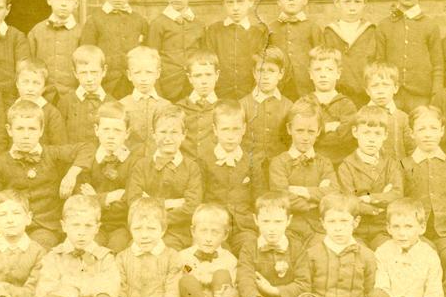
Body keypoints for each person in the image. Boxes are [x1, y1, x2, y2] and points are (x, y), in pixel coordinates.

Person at [0, 100, 94, 249]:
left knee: (35, 250)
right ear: (9, 130)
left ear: (41, 130)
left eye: (32, 129)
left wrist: (72, 174)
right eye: (20, 129)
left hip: (46, 227)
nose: (26, 135)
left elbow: (87, 148)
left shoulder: (52, 154)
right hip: (11, 226)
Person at [125, 105, 203, 250]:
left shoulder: (192, 168)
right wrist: (171, 203)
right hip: (145, 230)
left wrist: (150, 203)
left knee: (169, 252)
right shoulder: (141, 166)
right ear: (153, 134)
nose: (168, 138)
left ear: (184, 134)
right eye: (162, 132)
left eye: (174, 132)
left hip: (178, 233)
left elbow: (191, 207)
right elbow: (134, 203)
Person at [400, 105, 446, 267]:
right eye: (421, 129)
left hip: (445, 233)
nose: (428, 134)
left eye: (433, 128)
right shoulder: (404, 165)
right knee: (420, 257)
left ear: (442, 131)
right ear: (411, 133)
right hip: (414, 233)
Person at [268, 98, 339, 245]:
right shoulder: (279, 163)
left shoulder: (324, 163)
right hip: (288, 228)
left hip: (319, 229)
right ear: (289, 129)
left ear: (318, 131)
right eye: (299, 131)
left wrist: (304, 191)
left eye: (311, 131)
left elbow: (333, 193)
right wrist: (316, 200)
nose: (305, 137)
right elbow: (282, 197)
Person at [375, 0, 443, 111]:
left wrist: (435, 98)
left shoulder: (430, 26)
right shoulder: (384, 26)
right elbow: (379, 64)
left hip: (422, 98)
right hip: (392, 98)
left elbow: (438, 66)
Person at [198, 100, 265, 255]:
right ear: (215, 130)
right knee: (217, 253)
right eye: (225, 129)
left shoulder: (251, 161)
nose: (230, 136)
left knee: (250, 247)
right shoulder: (204, 160)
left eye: (236, 130)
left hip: (243, 226)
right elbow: (199, 199)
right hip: (213, 226)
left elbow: (259, 199)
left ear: (244, 129)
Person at [75, 101, 141, 253]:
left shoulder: (134, 162)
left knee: (116, 250)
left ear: (127, 133)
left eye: (117, 131)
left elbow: (129, 200)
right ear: (96, 130)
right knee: (89, 250)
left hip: (121, 225)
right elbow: (81, 198)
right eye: (106, 130)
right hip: (91, 224)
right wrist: (109, 197)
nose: (111, 136)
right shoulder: (88, 159)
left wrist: (95, 197)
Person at [337, 105, 403, 249]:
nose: (372, 139)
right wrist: (379, 202)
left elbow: (397, 194)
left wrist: (369, 198)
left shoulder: (391, 164)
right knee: (358, 253)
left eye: (377, 134)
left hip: (383, 228)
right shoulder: (346, 166)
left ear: (385, 135)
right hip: (356, 229)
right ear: (355, 132)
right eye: (366, 133)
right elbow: (350, 201)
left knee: (388, 251)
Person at [80, 0, 147, 98]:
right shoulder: (94, 21)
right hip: (105, 89)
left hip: (135, 89)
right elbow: (86, 59)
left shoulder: (140, 21)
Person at [236, 191, 311, 297]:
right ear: (256, 220)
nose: (272, 228)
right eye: (266, 221)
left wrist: (274, 291)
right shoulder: (249, 248)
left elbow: (304, 285)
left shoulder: (297, 248)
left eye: (278, 222)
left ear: (288, 220)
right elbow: (245, 277)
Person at [147, 0, 205, 102]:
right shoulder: (158, 24)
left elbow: (203, 59)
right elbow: (151, 62)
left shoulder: (199, 25)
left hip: (193, 90)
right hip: (167, 90)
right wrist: (159, 96)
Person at [205, 0, 267, 99]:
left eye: (240, 2)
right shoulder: (214, 31)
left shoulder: (259, 33)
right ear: (223, 3)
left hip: (250, 96)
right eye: (230, 2)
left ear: (251, 1)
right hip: (220, 96)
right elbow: (209, 64)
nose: (235, 8)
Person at [307, 193, 376, 297]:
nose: (338, 228)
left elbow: (370, 291)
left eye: (344, 221)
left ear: (356, 222)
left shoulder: (367, 256)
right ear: (323, 223)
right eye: (331, 221)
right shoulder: (311, 255)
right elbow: (306, 293)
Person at [323, 0, 376, 108]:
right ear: (337, 2)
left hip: (366, 98)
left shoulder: (372, 32)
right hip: (336, 99)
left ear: (365, 2)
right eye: (347, 1)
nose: (352, 7)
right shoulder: (329, 33)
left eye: (357, 2)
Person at [27, 0, 82, 105]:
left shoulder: (82, 33)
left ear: (76, 3)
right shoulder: (37, 32)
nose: (63, 3)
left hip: (72, 99)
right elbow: (28, 66)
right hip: (42, 98)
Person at [239, 47, 293, 173]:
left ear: (281, 74)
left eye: (271, 71)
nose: (265, 76)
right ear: (254, 73)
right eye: (260, 70)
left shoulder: (289, 106)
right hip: (249, 171)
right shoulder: (242, 105)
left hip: (281, 170)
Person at [268, 0, 322, 100]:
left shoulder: (313, 27)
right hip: (278, 89)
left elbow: (321, 59)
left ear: (305, 0)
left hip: (306, 88)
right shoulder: (270, 28)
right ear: (278, 2)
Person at [303, 46, 357, 166]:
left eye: (329, 69)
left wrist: (316, 132)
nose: (323, 75)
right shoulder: (305, 103)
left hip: (341, 164)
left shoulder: (346, 105)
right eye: (318, 69)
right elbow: (302, 136)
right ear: (310, 74)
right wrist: (326, 128)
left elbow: (345, 138)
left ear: (338, 73)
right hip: (312, 163)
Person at [178, 204, 239, 297]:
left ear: (225, 235)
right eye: (203, 231)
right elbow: (187, 272)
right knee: (188, 280)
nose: (208, 238)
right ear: (193, 231)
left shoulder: (229, 259)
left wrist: (233, 294)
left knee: (222, 274)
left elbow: (236, 287)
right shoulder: (184, 257)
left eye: (215, 232)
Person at [118, 46, 171, 156]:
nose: (143, 78)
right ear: (129, 75)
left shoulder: (166, 106)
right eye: (137, 73)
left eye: (149, 72)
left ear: (158, 74)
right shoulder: (121, 105)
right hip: (129, 165)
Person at [58, 45, 112, 144]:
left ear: (104, 71)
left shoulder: (112, 103)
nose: (89, 79)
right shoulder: (65, 102)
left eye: (94, 72)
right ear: (75, 73)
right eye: (83, 73)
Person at [364, 62, 415, 161]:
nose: (380, 91)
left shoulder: (403, 118)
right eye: (375, 86)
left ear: (395, 88)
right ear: (367, 90)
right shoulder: (361, 116)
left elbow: (412, 149)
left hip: (398, 172)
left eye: (386, 85)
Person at [176, 50, 220, 161]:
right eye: (198, 76)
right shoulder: (179, 108)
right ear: (190, 78)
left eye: (208, 75)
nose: (203, 81)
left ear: (217, 75)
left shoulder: (223, 107)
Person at [15, 58, 66, 146]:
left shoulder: (52, 113)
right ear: (17, 84)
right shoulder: (11, 109)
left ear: (44, 88)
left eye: (36, 83)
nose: (30, 88)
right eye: (25, 82)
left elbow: (59, 147)